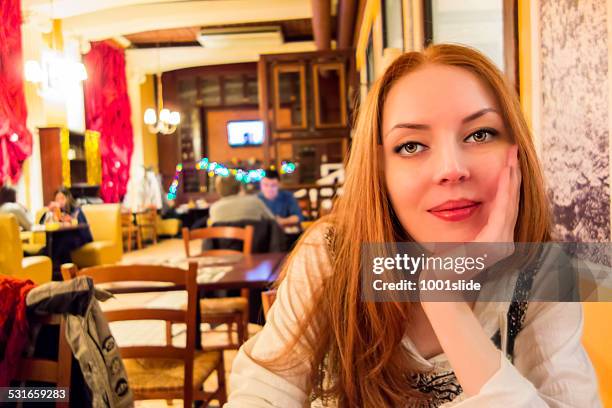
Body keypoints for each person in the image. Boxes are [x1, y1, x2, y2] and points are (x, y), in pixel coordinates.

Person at [225, 44, 601, 406]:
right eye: (410, 146)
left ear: (515, 152)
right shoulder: (331, 255)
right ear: (380, 170)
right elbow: (265, 390)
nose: (451, 169)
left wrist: (444, 301)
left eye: (479, 134)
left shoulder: (543, 274)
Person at [41, 187, 93, 265]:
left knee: (62, 242)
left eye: (62, 198)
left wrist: (71, 221)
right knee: (52, 242)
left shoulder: (76, 210)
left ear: (68, 199)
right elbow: (41, 223)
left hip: (81, 237)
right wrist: (48, 211)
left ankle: (59, 269)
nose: (59, 201)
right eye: (57, 199)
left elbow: (82, 225)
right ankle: (54, 269)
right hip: (63, 237)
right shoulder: (56, 212)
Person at [209, 176, 275, 225]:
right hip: (255, 243)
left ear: (219, 191)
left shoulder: (214, 208)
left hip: (225, 243)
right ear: (240, 187)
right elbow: (273, 222)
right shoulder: (255, 202)